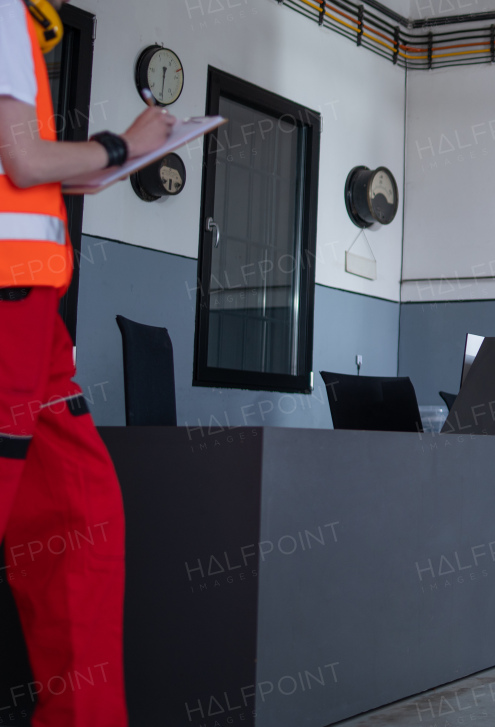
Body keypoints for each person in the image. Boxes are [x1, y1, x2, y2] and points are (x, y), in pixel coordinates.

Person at [1, 0, 174, 723]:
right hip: (10, 297)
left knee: (83, 520)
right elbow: (24, 157)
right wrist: (118, 146)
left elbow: (27, 173)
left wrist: (114, 159)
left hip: (35, 304)